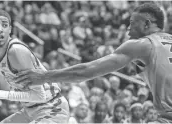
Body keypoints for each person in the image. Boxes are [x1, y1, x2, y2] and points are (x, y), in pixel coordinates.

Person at [14, 3, 172, 123]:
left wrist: (43, 76)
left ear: (146, 24)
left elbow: (85, 71)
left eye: (133, 23)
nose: (128, 29)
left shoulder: (143, 44)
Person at [0, 9, 69, 123]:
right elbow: (4, 88)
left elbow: (39, 96)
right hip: (29, 110)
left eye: (4, 25)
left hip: (52, 107)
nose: (0, 29)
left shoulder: (16, 51)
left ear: (10, 29)